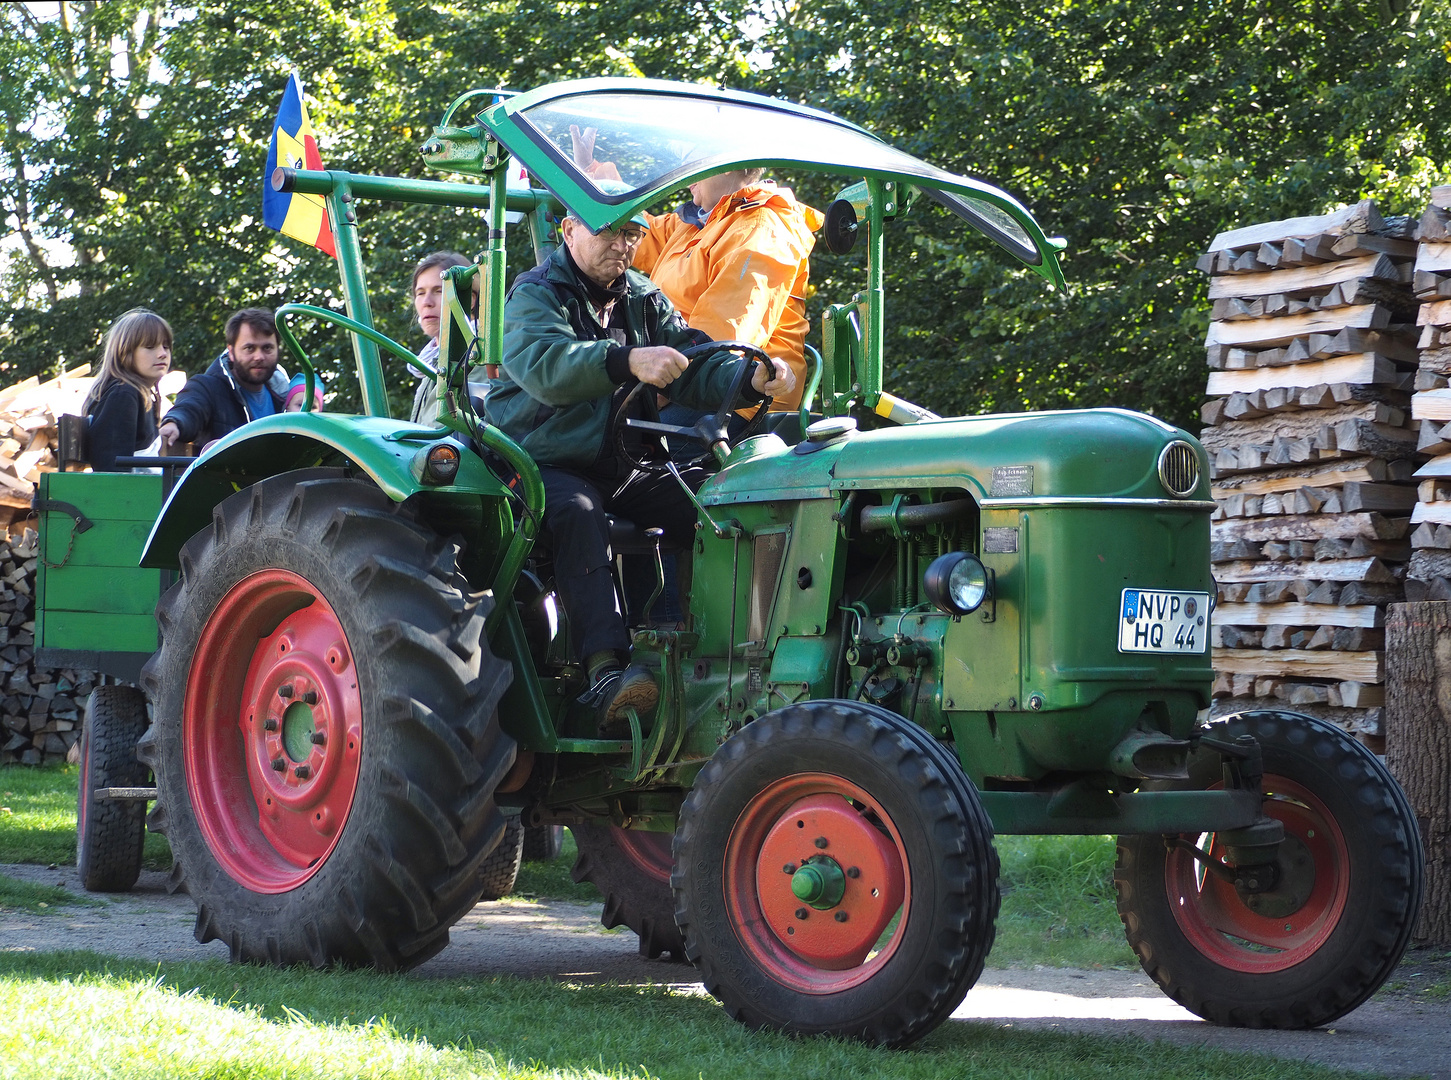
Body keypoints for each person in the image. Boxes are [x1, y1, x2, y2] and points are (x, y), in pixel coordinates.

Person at [488, 204, 795, 734]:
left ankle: (737, 650)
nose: (622, 245)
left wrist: (750, 380)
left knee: (715, 498)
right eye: (609, 232)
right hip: (540, 463)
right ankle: (605, 672)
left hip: (625, 464)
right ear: (569, 230)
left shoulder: (642, 296)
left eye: (632, 234)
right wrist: (625, 360)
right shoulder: (534, 293)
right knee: (578, 513)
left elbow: (693, 363)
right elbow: (546, 366)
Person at [570, 126, 823, 415]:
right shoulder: (695, 224)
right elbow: (636, 233)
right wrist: (592, 177)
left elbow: (722, 341)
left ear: (728, 163)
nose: (684, 172)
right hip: (680, 381)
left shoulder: (761, 229)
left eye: (692, 158)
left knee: (596, 441)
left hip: (733, 405)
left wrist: (648, 393)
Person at [159, 308, 289, 449]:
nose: (259, 357)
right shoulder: (207, 388)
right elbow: (190, 408)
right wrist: (175, 423)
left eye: (267, 348)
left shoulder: (287, 397)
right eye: (250, 348)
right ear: (231, 352)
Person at [83, 308, 172, 472]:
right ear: (125, 352)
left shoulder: (139, 395)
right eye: (150, 346)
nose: (162, 354)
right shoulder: (123, 395)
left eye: (166, 347)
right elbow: (111, 469)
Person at [409, 251, 489, 424]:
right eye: (420, 293)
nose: (427, 302)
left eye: (438, 290)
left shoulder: (480, 356)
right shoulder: (428, 364)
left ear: (470, 299)